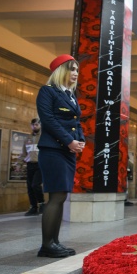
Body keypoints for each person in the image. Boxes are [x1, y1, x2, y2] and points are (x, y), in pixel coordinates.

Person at [35, 54, 85, 258]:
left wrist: (79, 140)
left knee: (61, 196)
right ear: (60, 71)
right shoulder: (48, 92)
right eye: (71, 69)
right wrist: (69, 141)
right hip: (53, 150)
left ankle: (54, 242)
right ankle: (47, 245)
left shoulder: (71, 95)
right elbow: (48, 121)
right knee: (55, 196)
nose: (75, 73)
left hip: (66, 151)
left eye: (77, 70)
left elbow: (76, 121)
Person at [18, 118, 46, 216]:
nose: (35, 126)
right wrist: (19, 164)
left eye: (37, 124)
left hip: (40, 165)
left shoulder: (44, 137)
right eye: (33, 125)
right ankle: (33, 207)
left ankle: (42, 203)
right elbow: (23, 153)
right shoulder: (27, 139)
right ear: (31, 126)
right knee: (30, 187)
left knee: (35, 184)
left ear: (40, 125)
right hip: (30, 165)